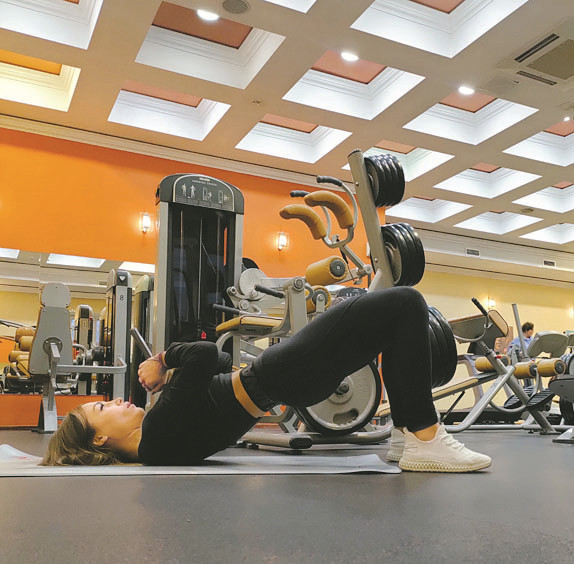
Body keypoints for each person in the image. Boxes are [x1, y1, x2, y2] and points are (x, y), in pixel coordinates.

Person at [42, 287, 491, 473]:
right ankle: (425, 436)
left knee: (388, 324)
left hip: (284, 378)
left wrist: (175, 377)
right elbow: (204, 354)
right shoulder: (156, 435)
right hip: (285, 371)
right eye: (102, 408)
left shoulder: (160, 441)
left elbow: (218, 364)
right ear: (100, 440)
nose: (114, 402)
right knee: (406, 303)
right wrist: (162, 361)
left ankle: (404, 434)